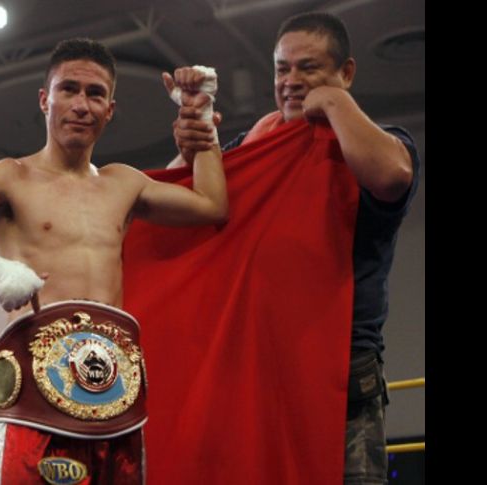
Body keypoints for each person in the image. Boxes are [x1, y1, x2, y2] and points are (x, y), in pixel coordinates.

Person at [0, 38, 228, 484]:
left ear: (110, 110)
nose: (81, 104)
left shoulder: (123, 184)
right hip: (36, 403)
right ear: (44, 99)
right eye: (68, 89)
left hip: (116, 399)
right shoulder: (9, 177)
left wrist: (201, 116)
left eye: (94, 94)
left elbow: (211, 206)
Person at [168, 12, 420, 485]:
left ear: (346, 72)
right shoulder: (255, 146)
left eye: (310, 68)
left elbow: (392, 176)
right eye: (283, 69)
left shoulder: (382, 144)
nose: (292, 82)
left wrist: (333, 102)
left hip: (341, 383)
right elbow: (183, 214)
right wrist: (190, 150)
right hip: (258, 377)